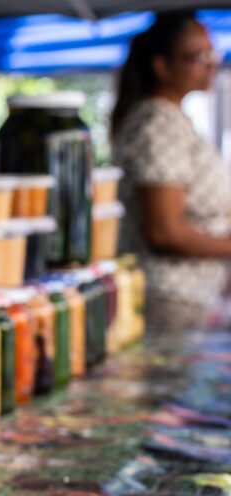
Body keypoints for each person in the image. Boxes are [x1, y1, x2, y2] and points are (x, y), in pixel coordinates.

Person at [111, 11, 231, 330]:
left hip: (186, 299)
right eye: (197, 57)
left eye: (211, 54)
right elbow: (165, 232)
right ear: (162, 66)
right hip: (167, 299)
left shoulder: (173, 119)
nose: (210, 65)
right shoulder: (158, 123)